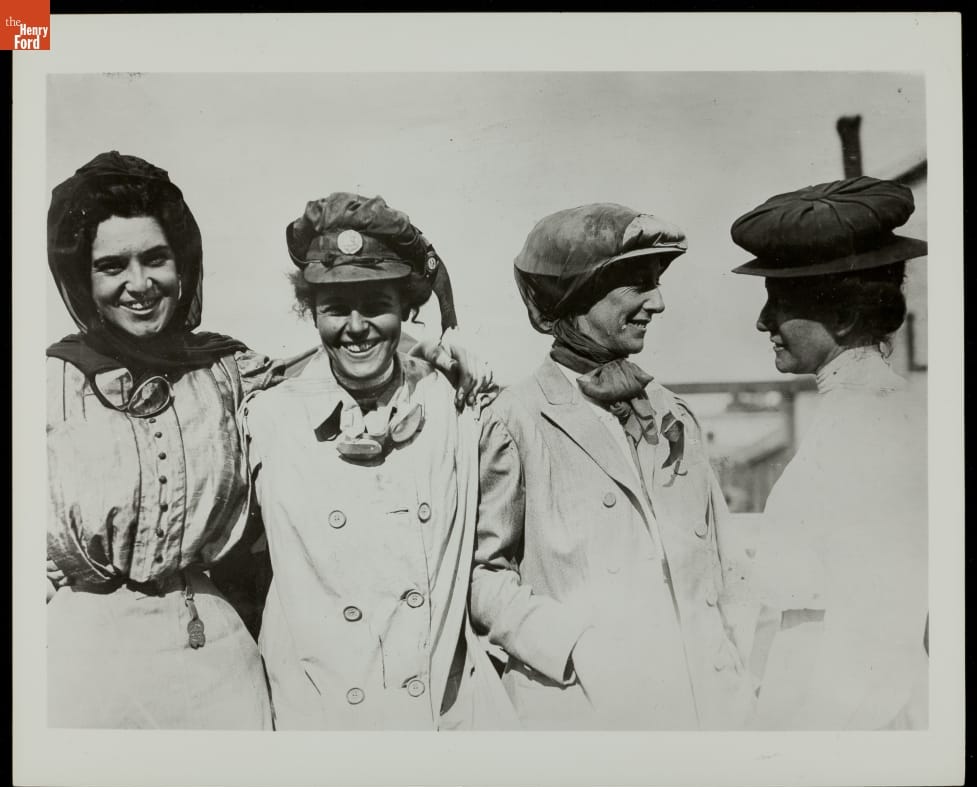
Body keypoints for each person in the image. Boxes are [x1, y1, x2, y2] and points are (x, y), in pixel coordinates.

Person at [44, 153, 492, 729]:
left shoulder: (229, 374)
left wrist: (431, 350)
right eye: (112, 266)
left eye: (156, 259)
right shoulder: (47, 386)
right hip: (86, 660)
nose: (139, 284)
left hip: (214, 660)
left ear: (182, 265)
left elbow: (335, 358)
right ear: (83, 279)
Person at [470, 203, 756, 729]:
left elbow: (723, 562)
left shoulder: (671, 411)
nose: (659, 303)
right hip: (589, 711)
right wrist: (575, 647)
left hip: (703, 710)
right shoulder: (515, 419)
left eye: (657, 284)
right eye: (638, 285)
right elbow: (484, 576)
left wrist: (739, 676)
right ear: (576, 295)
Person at [240, 193, 514, 730]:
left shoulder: (455, 407)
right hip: (316, 722)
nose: (356, 326)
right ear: (311, 312)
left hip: (439, 719)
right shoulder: (268, 419)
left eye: (376, 304)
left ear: (406, 308)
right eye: (335, 308)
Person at [729, 175, 929, 729]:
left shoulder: (874, 425)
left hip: (846, 721)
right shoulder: (852, 410)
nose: (763, 321)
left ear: (843, 317)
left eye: (780, 302)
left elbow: (877, 638)